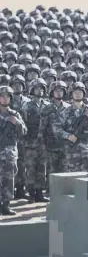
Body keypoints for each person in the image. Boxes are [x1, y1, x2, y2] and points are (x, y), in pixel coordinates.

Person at [0, 86, 27, 215]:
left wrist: (17, 124)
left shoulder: (14, 114)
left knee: (9, 179)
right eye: (2, 96)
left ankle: (6, 205)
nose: (5, 99)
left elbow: (24, 132)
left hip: (10, 153)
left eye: (7, 96)